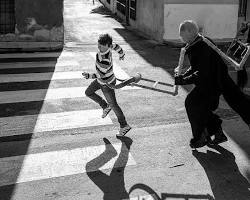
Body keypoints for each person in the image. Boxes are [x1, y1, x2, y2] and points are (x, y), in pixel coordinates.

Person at [174, 20, 248, 148]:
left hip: (214, 83)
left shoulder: (202, 45)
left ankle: (201, 137)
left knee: (192, 103)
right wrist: (183, 76)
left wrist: (184, 80)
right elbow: (196, 67)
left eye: (182, 34)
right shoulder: (196, 42)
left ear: (191, 32)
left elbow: (202, 72)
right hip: (211, 82)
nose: (180, 37)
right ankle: (217, 133)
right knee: (199, 105)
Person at [83, 33, 131, 137]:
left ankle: (124, 126)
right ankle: (105, 106)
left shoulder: (105, 59)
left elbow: (100, 74)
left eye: (100, 46)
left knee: (114, 105)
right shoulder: (110, 46)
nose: (98, 47)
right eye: (98, 44)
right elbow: (117, 46)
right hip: (101, 81)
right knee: (88, 92)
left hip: (107, 83)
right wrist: (121, 54)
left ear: (107, 45)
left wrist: (89, 76)